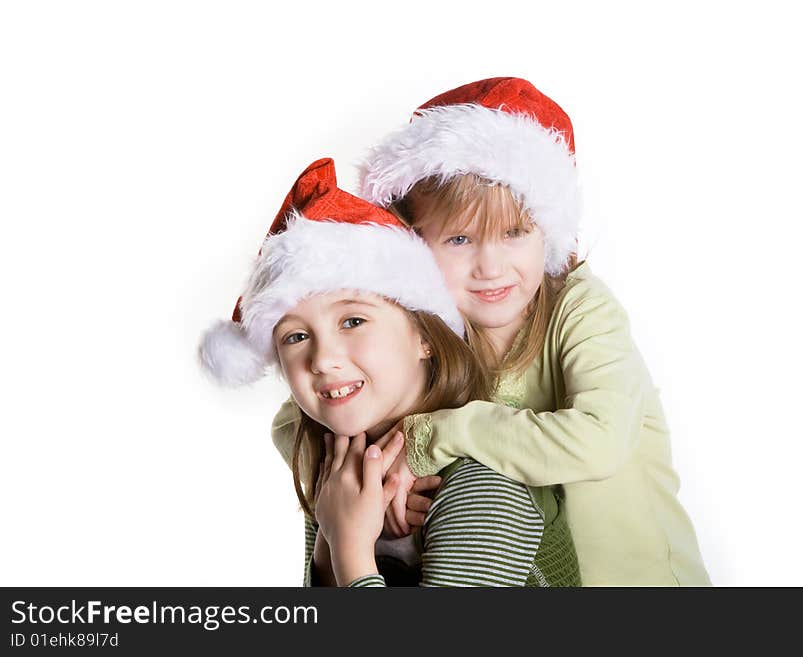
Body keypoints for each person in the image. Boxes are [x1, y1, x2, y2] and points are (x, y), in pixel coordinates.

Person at [275, 77, 711, 585]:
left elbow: (600, 440)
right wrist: (378, 479)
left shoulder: (578, 306)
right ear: (415, 244)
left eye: (515, 233)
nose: (491, 267)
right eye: (459, 238)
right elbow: (299, 421)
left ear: (547, 231)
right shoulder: (429, 328)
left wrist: (422, 441)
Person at [199, 157, 581, 587]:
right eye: (295, 337)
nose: (323, 359)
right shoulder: (339, 471)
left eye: (353, 321)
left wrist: (349, 546)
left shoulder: (483, 485)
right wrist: (330, 537)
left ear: (425, 337)